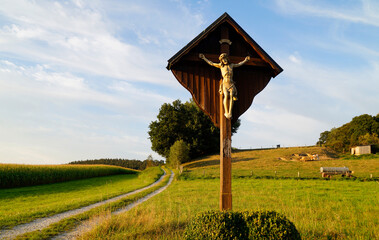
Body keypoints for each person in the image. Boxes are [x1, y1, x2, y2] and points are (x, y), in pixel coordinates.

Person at [199, 53, 250, 119]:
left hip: (231, 83)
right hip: (225, 83)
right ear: (221, 61)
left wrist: (245, 60)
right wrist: (204, 58)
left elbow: (239, 64)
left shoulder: (231, 65)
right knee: (226, 95)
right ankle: (226, 112)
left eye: (225, 58)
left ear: (227, 59)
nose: (224, 60)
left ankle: (230, 112)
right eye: (223, 59)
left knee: (231, 96)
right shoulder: (221, 66)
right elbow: (211, 63)